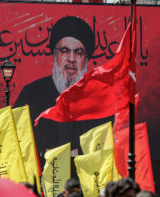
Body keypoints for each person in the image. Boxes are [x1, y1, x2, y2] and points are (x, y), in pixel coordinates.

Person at [14, 16, 113, 158]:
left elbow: (108, 146)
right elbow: (16, 139)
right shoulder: (32, 93)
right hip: (43, 174)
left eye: (79, 52)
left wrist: (78, 153)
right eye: (65, 50)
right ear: (54, 54)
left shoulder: (100, 100)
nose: (71, 59)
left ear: (86, 59)